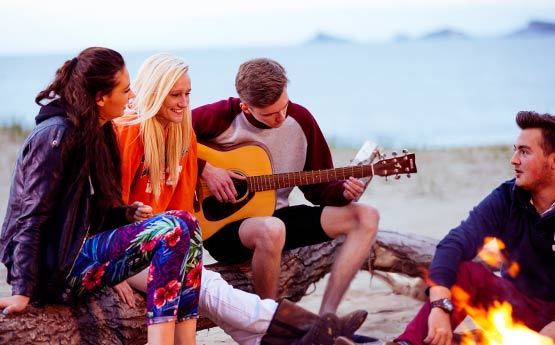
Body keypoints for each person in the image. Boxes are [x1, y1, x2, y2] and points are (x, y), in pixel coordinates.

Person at [114, 53, 374, 345]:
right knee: (207, 284)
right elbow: (111, 209)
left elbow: (180, 209)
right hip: (134, 248)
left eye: (188, 94)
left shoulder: (179, 135)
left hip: (169, 243)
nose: (185, 103)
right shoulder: (132, 134)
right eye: (176, 94)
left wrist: (341, 192)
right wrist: (207, 168)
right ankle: (301, 326)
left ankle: (285, 335)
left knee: (204, 282)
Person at [0, 47, 203, 345]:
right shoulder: (56, 137)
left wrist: (125, 214)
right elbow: (32, 217)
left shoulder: (100, 130)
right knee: (171, 230)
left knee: (186, 223)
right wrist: (22, 289)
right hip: (55, 270)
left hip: (79, 252)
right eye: (125, 89)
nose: (132, 96)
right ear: (100, 97)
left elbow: (86, 211)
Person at [192, 57, 380, 314]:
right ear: (246, 108)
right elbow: (160, 139)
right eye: (269, 114)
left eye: (284, 106)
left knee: (366, 216)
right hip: (223, 228)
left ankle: (327, 315)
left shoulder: (301, 120)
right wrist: (206, 169)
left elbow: (318, 188)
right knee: (272, 229)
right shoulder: (220, 116)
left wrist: (340, 191)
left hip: (276, 217)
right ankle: (268, 322)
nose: (281, 117)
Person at [383, 111, 555, 345]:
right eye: (515, 150)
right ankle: (408, 344)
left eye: (524, 152)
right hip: (516, 307)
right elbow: (455, 243)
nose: (513, 159)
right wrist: (440, 304)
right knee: (466, 273)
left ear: (553, 161)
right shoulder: (508, 197)